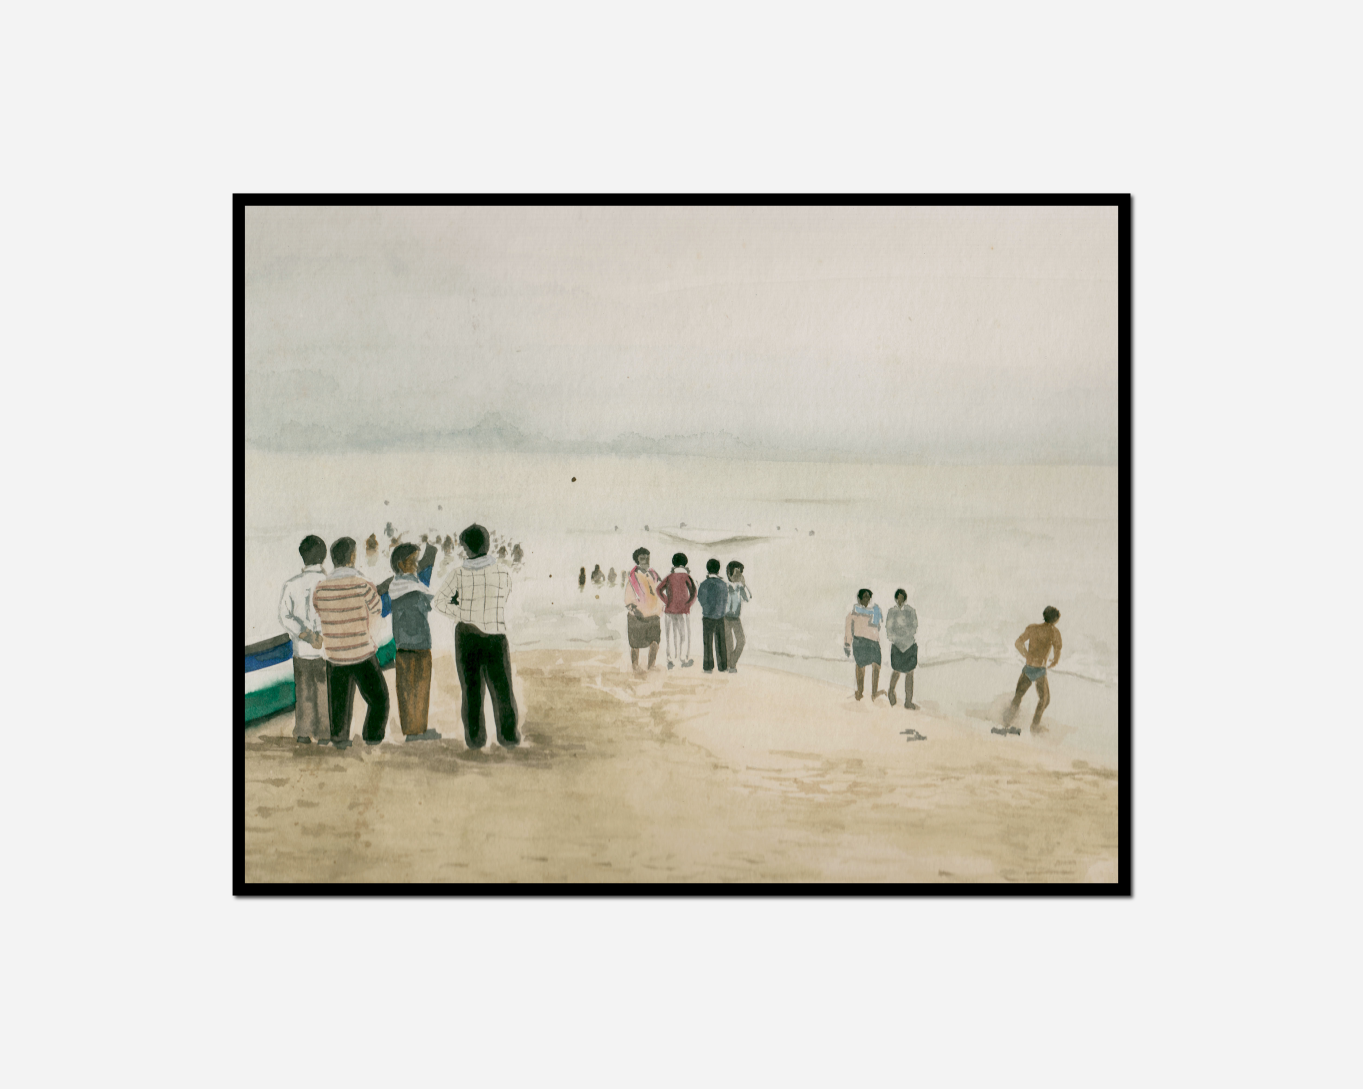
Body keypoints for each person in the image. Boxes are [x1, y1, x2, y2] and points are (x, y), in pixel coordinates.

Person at [435, 523, 519, 749]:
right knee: (502, 689)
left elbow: (439, 602)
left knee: (471, 691)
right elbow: (504, 595)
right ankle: (509, 737)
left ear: (466, 549)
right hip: (496, 635)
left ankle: (475, 739)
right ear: (487, 545)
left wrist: (461, 612)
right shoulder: (502, 572)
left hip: (467, 635)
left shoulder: (458, 573)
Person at [314, 537, 388, 746]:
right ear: (353, 557)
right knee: (379, 699)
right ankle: (372, 737)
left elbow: (319, 611)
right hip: (361, 652)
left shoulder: (320, 588)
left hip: (334, 654)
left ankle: (339, 738)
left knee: (339, 703)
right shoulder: (363, 584)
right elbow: (377, 609)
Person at [277, 535, 329, 743]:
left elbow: (284, 616)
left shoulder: (291, 584)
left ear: (303, 557)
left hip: (301, 649)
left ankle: (304, 734)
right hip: (326, 650)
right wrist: (320, 636)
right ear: (324, 557)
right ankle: (325, 734)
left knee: (304, 692)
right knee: (325, 692)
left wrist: (306, 634)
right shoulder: (329, 583)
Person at [389, 543, 440, 742]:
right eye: (413, 561)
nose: (417, 565)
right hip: (420, 644)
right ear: (401, 564)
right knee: (420, 688)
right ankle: (418, 730)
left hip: (403, 646)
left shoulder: (395, 587)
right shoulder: (414, 587)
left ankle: (412, 731)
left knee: (407, 690)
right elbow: (425, 607)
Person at [1003, 606, 1063, 732]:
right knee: (1045, 700)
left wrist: (1026, 655)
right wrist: (1054, 662)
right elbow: (1057, 651)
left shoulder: (1032, 628)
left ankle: (1007, 720)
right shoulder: (1055, 632)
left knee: (1018, 695)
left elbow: (1018, 643)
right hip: (1040, 671)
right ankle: (1034, 726)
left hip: (1029, 668)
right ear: (1056, 620)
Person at [623, 547, 663, 672]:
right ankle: (635, 667)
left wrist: (661, 608)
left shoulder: (654, 574)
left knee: (655, 642)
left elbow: (659, 591)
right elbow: (628, 597)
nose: (645, 560)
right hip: (637, 616)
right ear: (637, 560)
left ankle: (651, 666)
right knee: (635, 644)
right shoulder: (633, 576)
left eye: (647, 557)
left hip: (653, 615)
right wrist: (634, 610)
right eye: (642, 558)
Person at [657, 552, 697, 669]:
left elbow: (659, 589)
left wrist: (667, 601)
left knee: (670, 636)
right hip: (683, 611)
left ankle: (670, 660)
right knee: (683, 636)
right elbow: (694, 593)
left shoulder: (669, 577)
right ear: (685, 564)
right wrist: (688, 605)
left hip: (669, 611)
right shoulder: (687, 577)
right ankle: (683, 659)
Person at [843, 589, 883, 701]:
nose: (867, 599)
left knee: (877, 665)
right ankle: (860, 691)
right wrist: (847, 644)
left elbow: (878, 626)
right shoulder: (853, 613)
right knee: (860, 666)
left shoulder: (875, 610)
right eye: (864, 597)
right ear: (859, 599)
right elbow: (848, 629)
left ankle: (874, 692)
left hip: (873, 642)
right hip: (860, 642)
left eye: (868, 597)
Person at [885, 589, 920, 711]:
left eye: (902, 598)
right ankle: (891, 691)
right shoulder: (892, 612)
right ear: (896, 599)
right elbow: (889, 629)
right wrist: (896, 638)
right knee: (896, 671)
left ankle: (908, 701)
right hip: (897, 645)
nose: (900, 600)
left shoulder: (910, 611)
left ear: (904, 598)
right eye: (898, 598)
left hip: (909, 645)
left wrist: (906, 634)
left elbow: (914, 626)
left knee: (910, 673)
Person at [696, 558, 730, 674]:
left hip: (707, 616)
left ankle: (708, 666)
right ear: (718, 569)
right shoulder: (723, 584)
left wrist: (706, 608)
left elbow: (700, 599)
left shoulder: (704, 584)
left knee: (707, 642)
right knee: (721, 642)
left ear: (707, 569)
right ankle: (723, 666)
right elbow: (725, 599)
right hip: (720, 616)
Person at [723, 561, 751, 673]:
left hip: (736, 618)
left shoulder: (740, 588)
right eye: (736, 574)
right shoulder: (724, 586)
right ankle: (731, 666)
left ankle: (731, 662)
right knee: (728, 643)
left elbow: (748, 598)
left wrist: (744, 584)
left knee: (741, 641)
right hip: (725, 618)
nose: (738, 576)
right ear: (729, 575)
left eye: (740, 574)